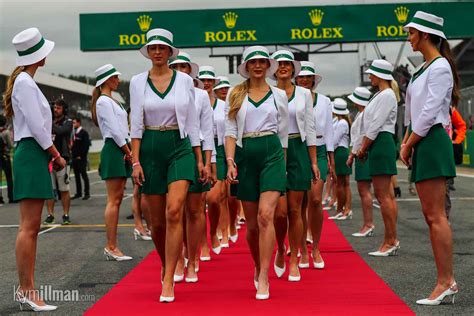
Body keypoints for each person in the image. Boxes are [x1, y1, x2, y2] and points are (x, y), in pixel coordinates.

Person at [130, 28, 205, 303]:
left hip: (179, 145)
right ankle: (166, 262)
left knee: (175, 211)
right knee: (157, 222)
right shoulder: (137, 82)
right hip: (149, 147)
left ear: (170, 52)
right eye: (153, 48)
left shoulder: (185, 81)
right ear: (148, 52)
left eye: (163, 48)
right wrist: (136, 161)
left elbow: (193, 122)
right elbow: (136, 124)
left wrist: (199, 157)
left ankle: (169, 277)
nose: (158, 52)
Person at [5, 27, 65, 312]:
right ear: (38, 56)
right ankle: (27, 290)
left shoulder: (24, 81)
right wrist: (55, 154)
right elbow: (38, 127)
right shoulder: (26, 84)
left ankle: (27, 289)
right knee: (29, 227)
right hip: (32, 151)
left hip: (32, 152)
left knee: (31, 226)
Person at [401, 11, 458, 305]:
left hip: (432, 139)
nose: (408, 38)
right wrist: (407, 140)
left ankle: (446, 281)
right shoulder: (422, 69)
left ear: (424, 34)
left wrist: (409, 142)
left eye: (411, 33)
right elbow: (413, 111)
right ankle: (445, 280)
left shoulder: (440, 67)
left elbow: (429, 112)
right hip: (422, 139)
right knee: (430, 215)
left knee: (436, 216)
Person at [225, 45, 288, 300]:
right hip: (245, 154)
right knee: (251, 225)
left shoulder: (278, 95)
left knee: (265, 216)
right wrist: (230, 161)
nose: (258, 65)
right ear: (246, 67)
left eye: (263, 61)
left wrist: (282, 161)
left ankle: (264, 275)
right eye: (253, 62)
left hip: (272, 152)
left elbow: (283, 132)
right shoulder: (235, 93)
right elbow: (229, 131)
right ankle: (257, 263)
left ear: (268, 65)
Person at [271, 50, 318, 282]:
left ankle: (294, 258)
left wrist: (313, 161)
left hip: (298, 149)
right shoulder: (266, 92)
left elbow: (309, 128)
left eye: (287, 64)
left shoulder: (304, 94)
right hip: (275, 151)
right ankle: (280, 247)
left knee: (295, 209)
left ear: (293, 68)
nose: (283, 67)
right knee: (279, 212)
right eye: (279, 63)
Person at [169, 52, 213, 283]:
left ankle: (193, 260)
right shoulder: (164, 90)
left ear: (190, 70)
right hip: (172, 153)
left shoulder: (200, 95)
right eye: (175, 66)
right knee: (175, 212)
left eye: (183, 66)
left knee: (195, 211)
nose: (179, 70)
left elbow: (206, 130)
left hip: (194, 153)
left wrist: (207, 162)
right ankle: (178, 259)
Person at [91, 64, 133, 262]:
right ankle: (111, 246)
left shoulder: (111, 101)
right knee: (114, 200)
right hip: (115, 148)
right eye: (115, 77)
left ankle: (113, 246)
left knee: (117, 198)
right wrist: (127, 150)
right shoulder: (103, 102)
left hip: (120, 148)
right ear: (107, 80)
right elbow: (116, 131)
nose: (118, 80)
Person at [295, 61, 335, 269]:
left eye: (307, 77)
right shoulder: (290, 97)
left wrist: (331, 159)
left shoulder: (325, 101)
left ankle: (316, 247)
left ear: (313, 80)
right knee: (300, 202)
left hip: (318, 150)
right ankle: (301, 248)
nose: (304, 80)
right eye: (300, 76)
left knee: (316, 199)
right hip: (299, 150)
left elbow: (329, 130)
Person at [358, 59, 399, 257]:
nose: (369, 76)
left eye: (372, 73)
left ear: (381, 75)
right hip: (379, 142)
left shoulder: (386, 95)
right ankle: (391, 240)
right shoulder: (382, 95)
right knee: (386, 196)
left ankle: (390, 241)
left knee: (384, 197)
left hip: (380, 142)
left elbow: (374, 125)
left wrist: (363, 148)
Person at [198, 66, 226, 253]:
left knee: (215, 199)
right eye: (203, 80)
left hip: (220, 149)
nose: (206, 83)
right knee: (198, 201)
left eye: (209, 80)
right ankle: (202, 242)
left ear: (214, 83)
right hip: (199, 148)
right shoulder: (194, 101)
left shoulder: (224, 106)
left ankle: (214, 231)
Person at [346, 87, 375, 237]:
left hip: (363, 153)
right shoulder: (361, 114)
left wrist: (352, 154)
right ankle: (367, 223)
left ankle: (368, 224)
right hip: (361, 153)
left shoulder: (364, 115)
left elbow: (360, 136)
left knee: (364, 190)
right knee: (364, 190)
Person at [214, 76, 240, 242]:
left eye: (226, 88)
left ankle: (231, 223)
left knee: (231, 196)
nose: (223, 91)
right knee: (218, 195)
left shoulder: (229, 105)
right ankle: (221, 230)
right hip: (213, 149)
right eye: (220, 88)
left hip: (230, 148)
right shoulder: (201, 103)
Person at [43, 99, 73, 225]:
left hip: (63, 160)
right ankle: (50, 214)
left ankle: (66, 214)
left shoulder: (68, 122)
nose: (55, 110)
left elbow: (61, 132)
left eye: (58, 108)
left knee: (64, 189)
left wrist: (48, 122)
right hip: (49, 160)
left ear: (64, 110)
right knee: (50, 190)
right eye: (54, 107)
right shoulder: (49, 121)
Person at [328, 98, 352, 220]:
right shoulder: (339, 121)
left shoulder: (342, 123)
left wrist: (329, 152)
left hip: (340, 152)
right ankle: (342, 209)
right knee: (341, 183)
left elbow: (335, 140)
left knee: (342, 183)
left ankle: (345, 209)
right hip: (340, 152)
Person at [445, 105, 466, 219]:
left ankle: (444, 217)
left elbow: (462, 125)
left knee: (444, 188)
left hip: (447, 150)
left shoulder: (451, 110)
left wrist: (457, 141)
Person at [71, 117, 91, 200]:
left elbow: (86, 146)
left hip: (81, 158)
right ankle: (78, 193)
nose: (73, 124)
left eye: (74, 122)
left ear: (79, 123)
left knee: (84, 175)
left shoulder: (84, 133)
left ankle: (87, 193)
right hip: (74, 158)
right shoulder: (73, 133)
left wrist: (81, 156)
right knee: (76, 176)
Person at [0, 115, 14, 204]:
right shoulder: (6, 132)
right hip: (5, 155)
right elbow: (10, 145)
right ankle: (11, 196)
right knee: (9, 177)